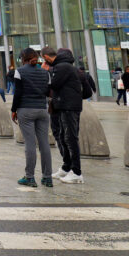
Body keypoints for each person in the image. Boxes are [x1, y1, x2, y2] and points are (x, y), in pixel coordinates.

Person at [11, 47, 53, 188]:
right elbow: (48, 92)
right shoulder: (45, 73)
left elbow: (17, 93)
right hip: (42, 110)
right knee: (44, 144)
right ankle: (47, 178)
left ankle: (30, 177)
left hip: (26, 109)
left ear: (23, 59)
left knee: (30, 144)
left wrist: (13, 110)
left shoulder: (20, 71)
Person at [41, 47, 84, 184]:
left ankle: (77, 172)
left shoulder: (62, 67)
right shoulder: (62, 66)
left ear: (46, 57)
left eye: (43, 58)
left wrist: (45, 72)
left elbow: (54, 85)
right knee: (63, 137)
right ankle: (67, 167)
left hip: (69, 107)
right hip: (63, 106)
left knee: (70, 138)